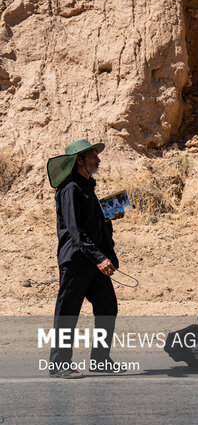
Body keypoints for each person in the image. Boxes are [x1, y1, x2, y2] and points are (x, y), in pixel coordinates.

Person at [46, 139, 123, 379]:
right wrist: (100, 258)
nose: (98, 160)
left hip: (93, 260)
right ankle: (59, 365)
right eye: (93, 157)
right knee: (67, 312)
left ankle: (100, 360)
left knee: (107, 306)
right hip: (77, 260)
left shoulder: (87, 186)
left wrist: (107, 217)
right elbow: (76, 230)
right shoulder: (69, 188)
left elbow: (90, 223)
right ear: (79, 160)